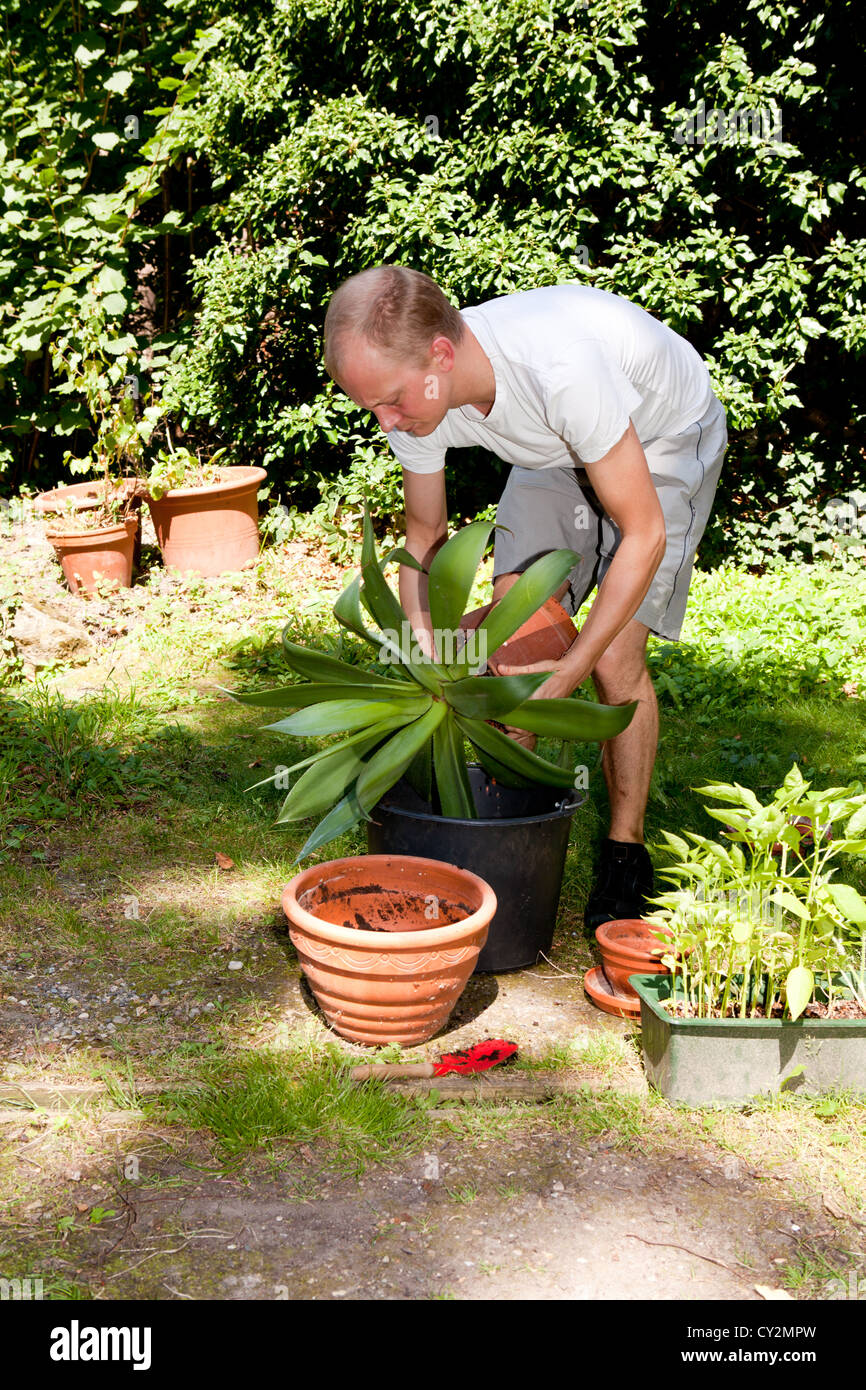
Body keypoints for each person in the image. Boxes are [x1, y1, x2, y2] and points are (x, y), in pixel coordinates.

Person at [322, 265, 727, 928]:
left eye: (391, 401)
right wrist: (429, 651)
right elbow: (425, 536)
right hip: (552, 451)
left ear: (441, 357)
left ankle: (626, 851)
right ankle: (504, 823)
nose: (386, 421)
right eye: (372, 407)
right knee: (518, 645)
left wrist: (570, 672)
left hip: (664, 433)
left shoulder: (558, 368)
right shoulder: (410, 396)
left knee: (612, 662)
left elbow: (644, 534)